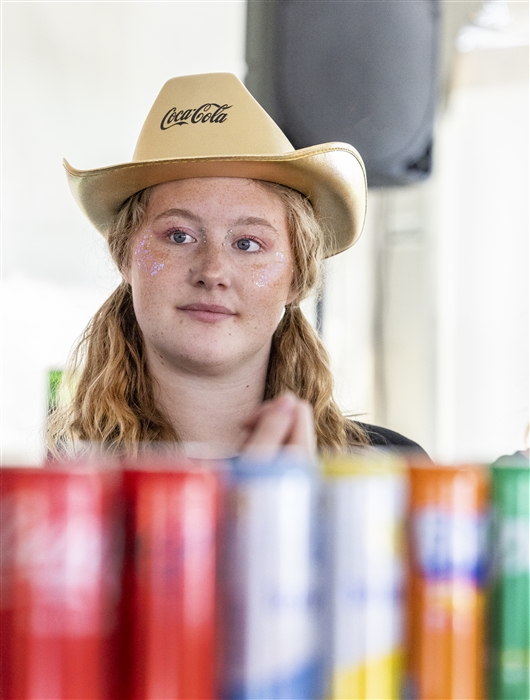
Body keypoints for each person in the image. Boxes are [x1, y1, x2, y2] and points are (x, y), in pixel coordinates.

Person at [48, 73, 427, 460]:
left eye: (248, 243)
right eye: (179, 236)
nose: (212, 272)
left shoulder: (392, 474)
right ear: (125, 256)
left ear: (297, 278)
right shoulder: (59, 481)